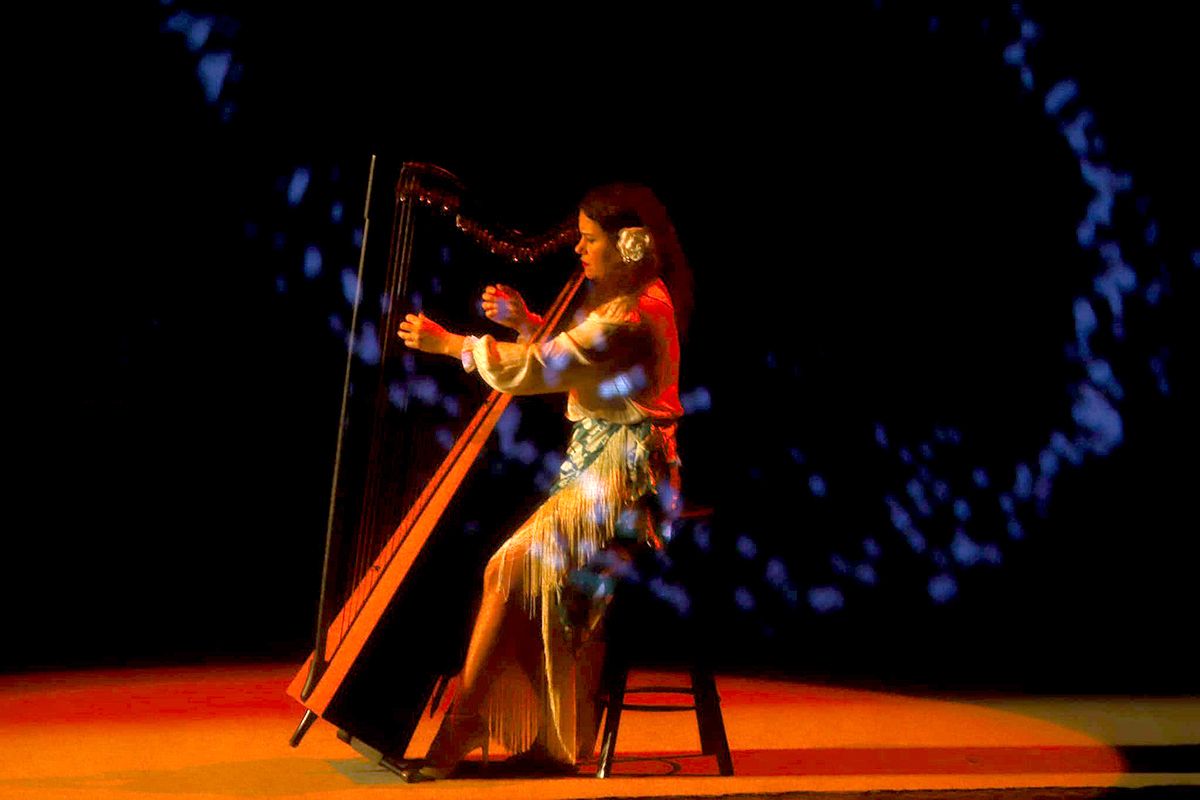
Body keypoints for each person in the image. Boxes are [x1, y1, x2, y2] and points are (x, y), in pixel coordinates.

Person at [393, 183, 691, 780]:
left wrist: (450, 344)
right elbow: (576, 362)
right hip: (604, 464)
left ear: (627, 246)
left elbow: (548, 368)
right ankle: (547, 735)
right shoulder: (633, 303)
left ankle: (466, 717)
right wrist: (528, 322)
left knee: (510, 566)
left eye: (588, 239)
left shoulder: (632, 315)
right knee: (530, 575)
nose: (578, 250)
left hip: (631, 480)